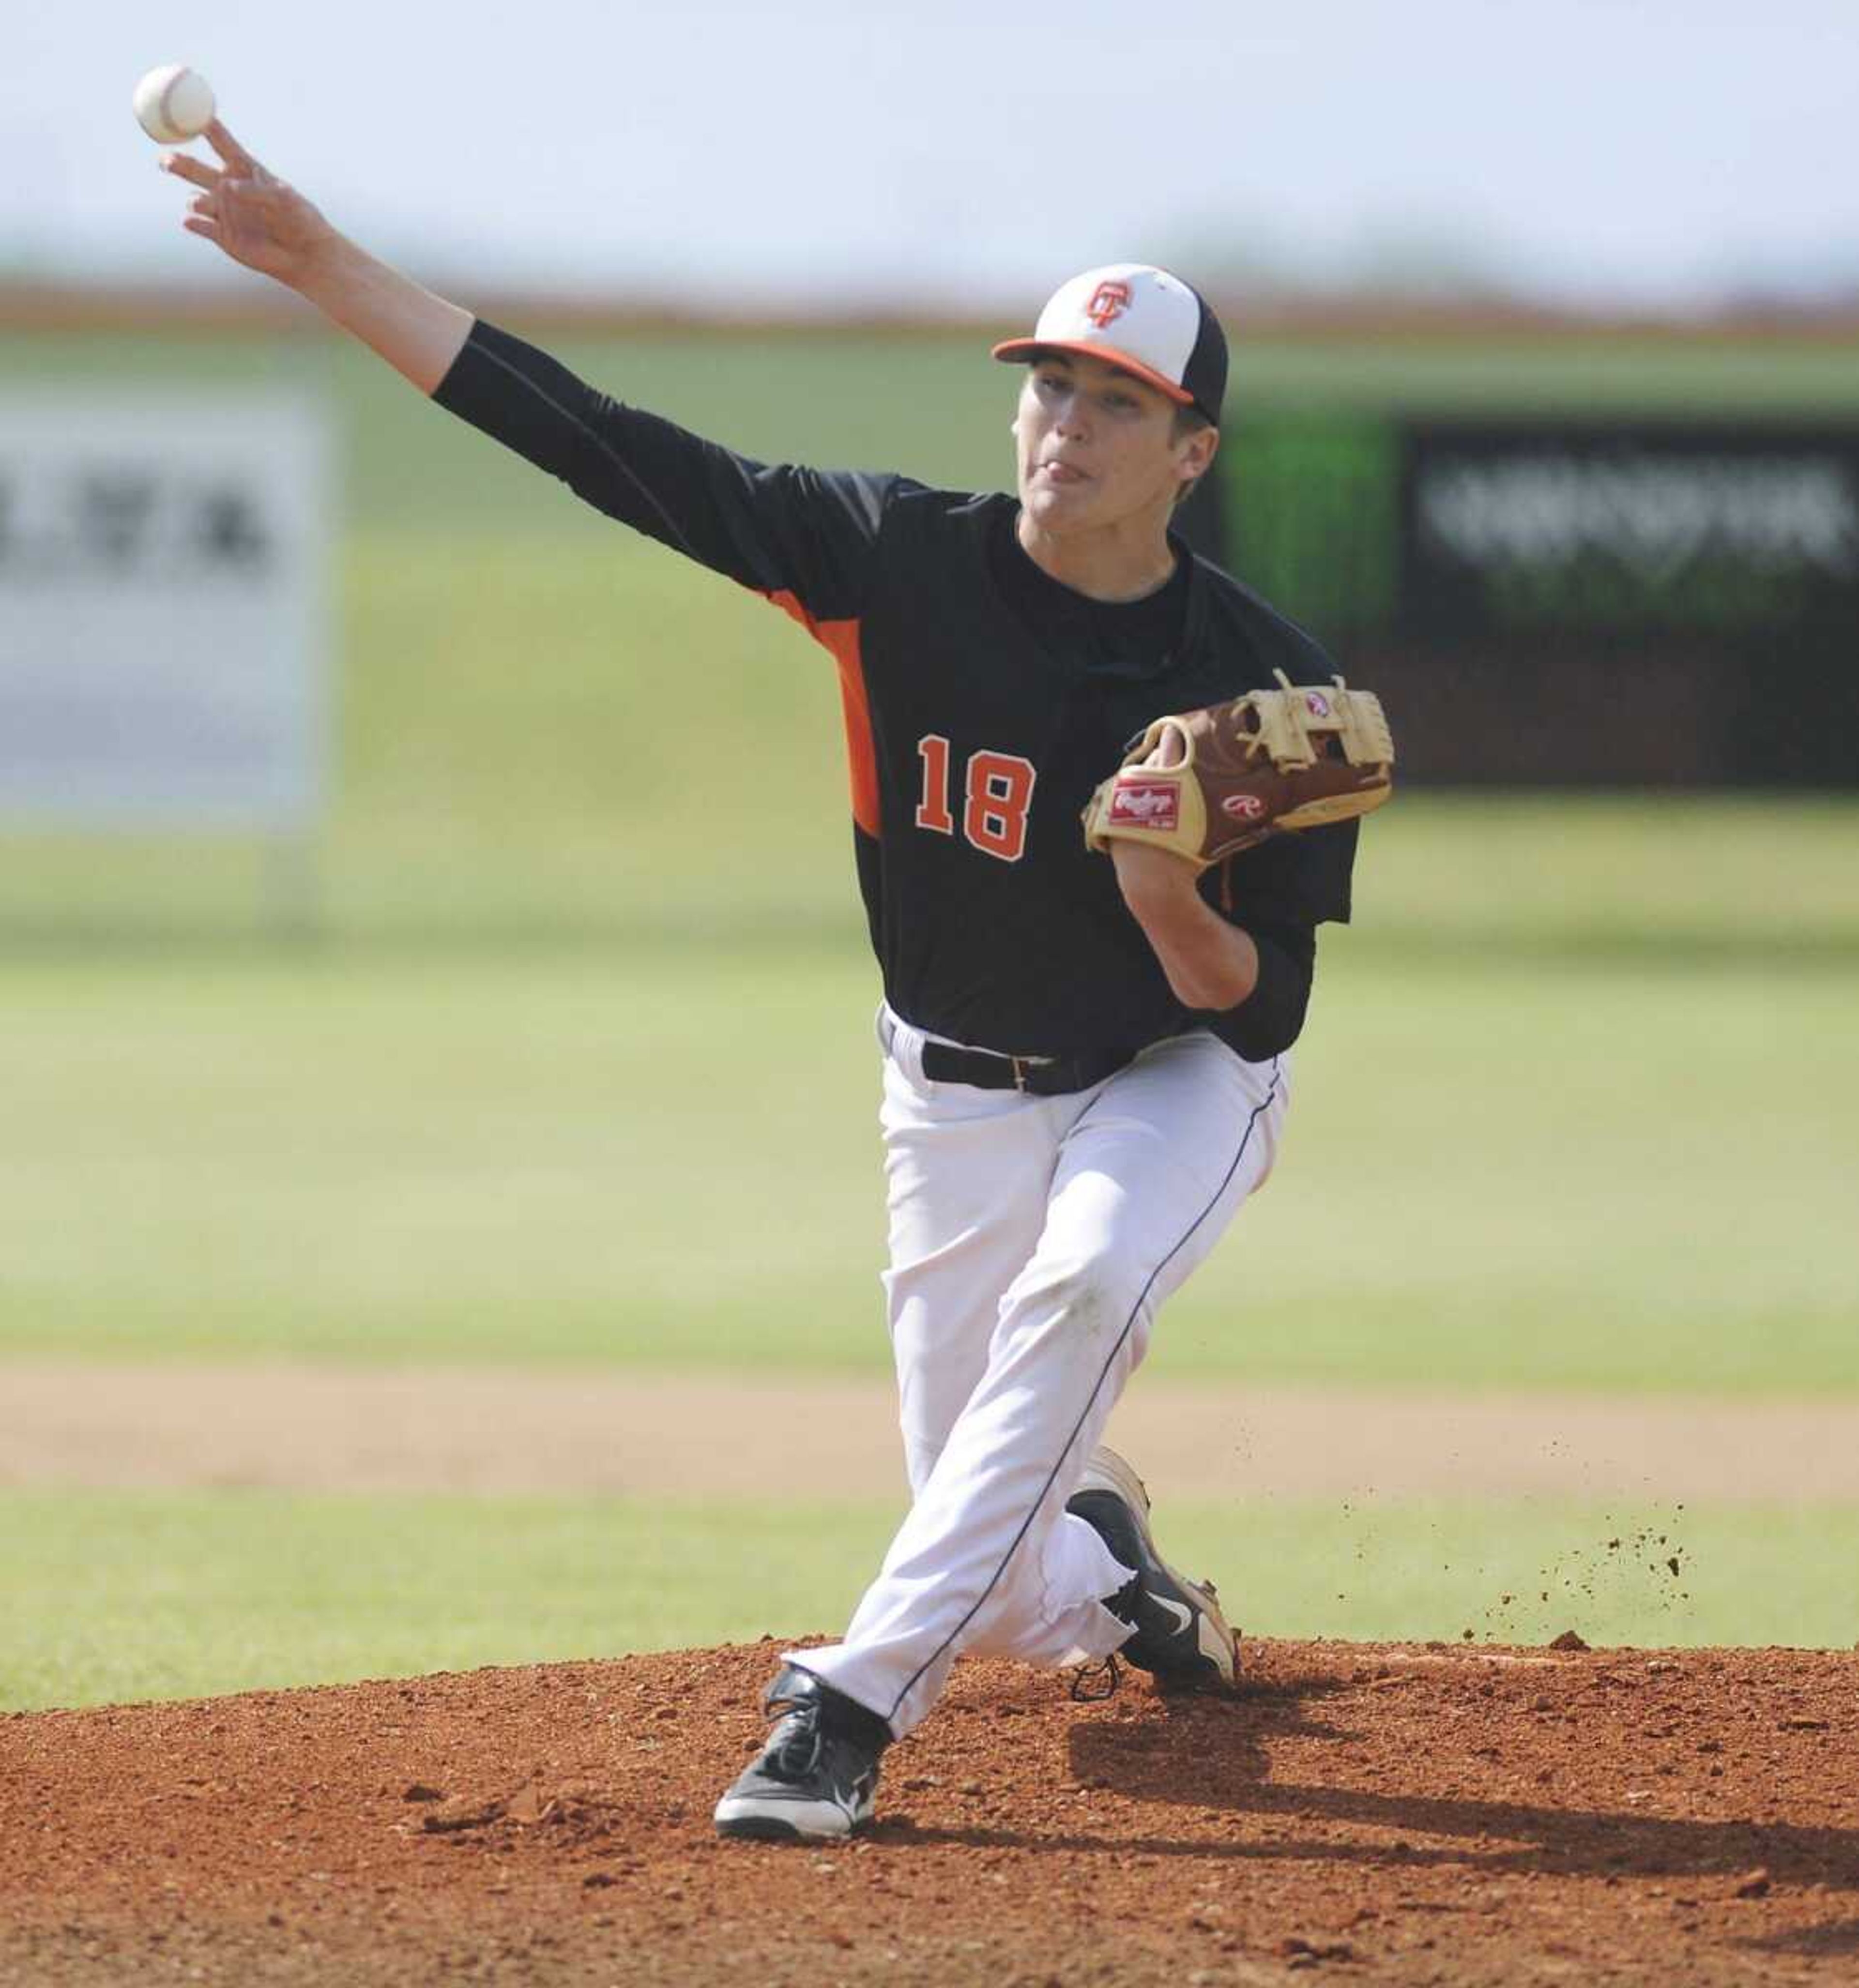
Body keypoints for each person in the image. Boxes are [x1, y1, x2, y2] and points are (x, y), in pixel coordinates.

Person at [159, 123, 1360, 1842]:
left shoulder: (1264, 681)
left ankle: (845, 1706)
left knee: (1085, 1289)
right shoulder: (895, 564)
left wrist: (1169, 898)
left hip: (1169, 1078)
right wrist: (324, 265)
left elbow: (1266, 1010)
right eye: (1047, 390)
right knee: (1016, 1582)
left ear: (1193, 449)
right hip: (947, 1092)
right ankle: (1117, 1583)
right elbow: (603, 447)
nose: (1064, 429)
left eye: (1112, 404)